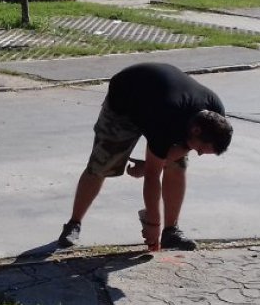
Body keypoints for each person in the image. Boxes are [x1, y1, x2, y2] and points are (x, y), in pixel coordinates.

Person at [57, 62, 233, 250]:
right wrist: (152, 225)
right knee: (102, 165)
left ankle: (171, 231)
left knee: (177, 166)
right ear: (197, 130)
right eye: (199, 149)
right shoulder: (166, 118)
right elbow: (152, 177)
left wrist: (153, 163)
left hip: (161, 103)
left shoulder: (215, 114)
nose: (197, 153)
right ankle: (73, 224)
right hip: (125, 101)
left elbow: (182, 149)